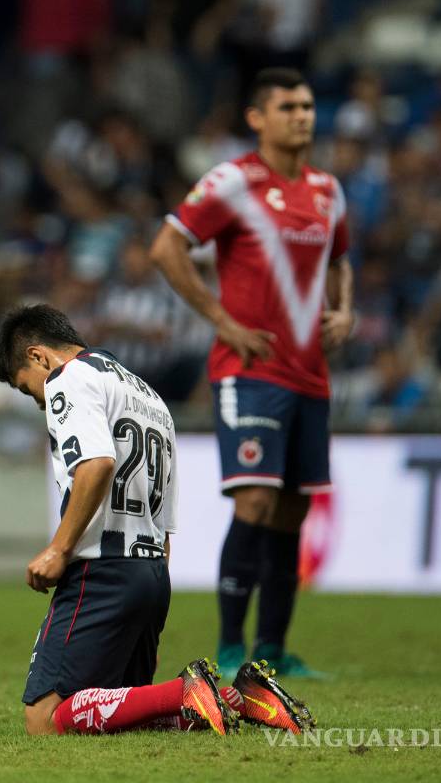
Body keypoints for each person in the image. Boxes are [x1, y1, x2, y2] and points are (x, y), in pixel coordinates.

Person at [0, 304, 314, 737]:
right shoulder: (147, 394)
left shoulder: (70, 379)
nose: (38, 402)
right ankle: (241, 698)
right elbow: (165, 509)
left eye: (30, 390)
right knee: (124, 715)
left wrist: (59, 549)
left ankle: (183, 692)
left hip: (101, 571)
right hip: (151, 569)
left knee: (45, 718)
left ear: (38, 357)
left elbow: (97, 464)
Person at [149, 68, 354, 679]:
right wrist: (221, 320)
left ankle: (273, 648)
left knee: (292, 510)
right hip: (250, 369)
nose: (303, 116)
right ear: (257, 118)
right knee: (256, 501)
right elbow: (167, 247)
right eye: (288, 106)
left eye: (309, 105)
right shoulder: (234, 182)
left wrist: (344, 309)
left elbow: (339, 259)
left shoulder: (327, 189)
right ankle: (232, 644)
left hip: (310, 375)